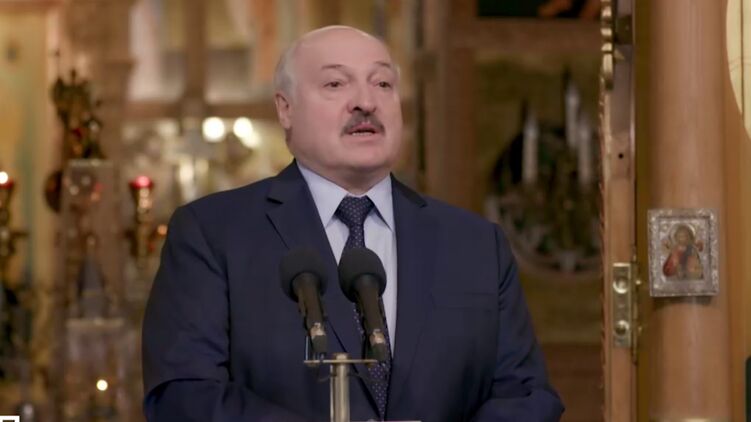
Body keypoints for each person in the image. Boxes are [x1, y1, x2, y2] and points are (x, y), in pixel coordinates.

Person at [142, 25, 563, 421]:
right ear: (285, 109)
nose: (366, 102)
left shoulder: (474, 244)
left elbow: (527, 395)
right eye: (335, 84)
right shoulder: (214, 233)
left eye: (382, 84)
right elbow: (184, 394)